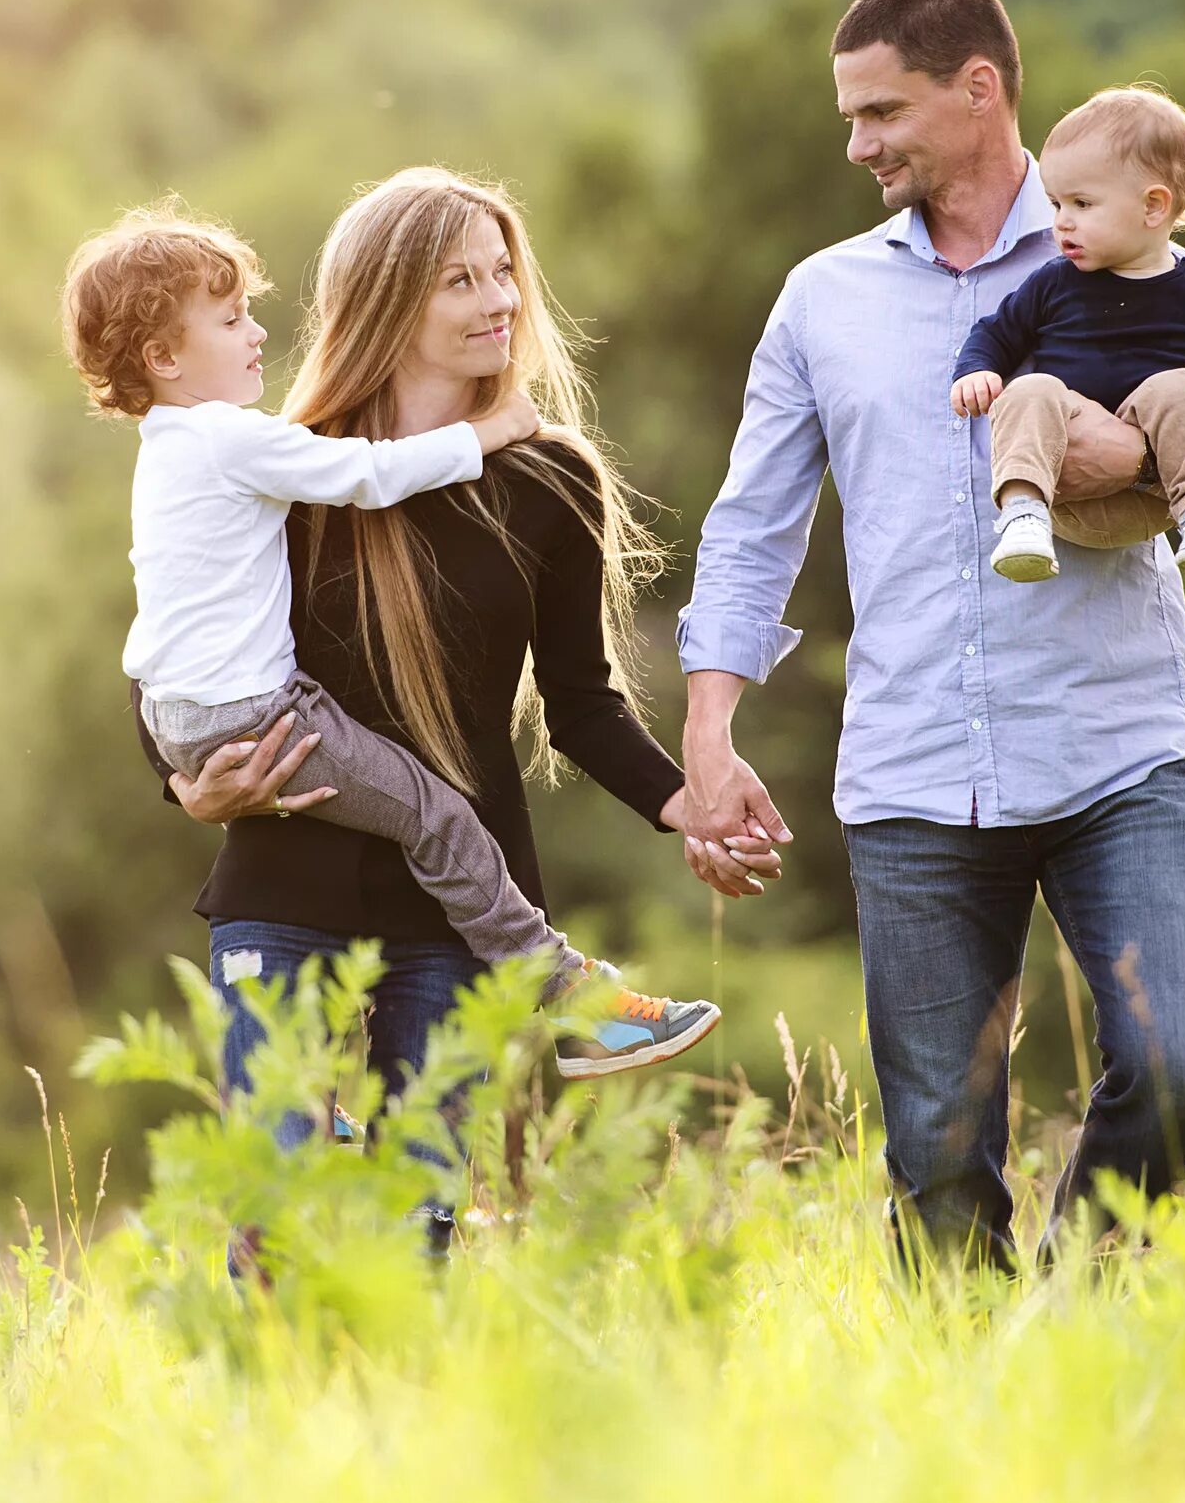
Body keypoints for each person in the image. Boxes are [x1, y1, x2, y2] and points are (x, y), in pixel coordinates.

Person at [672, 0, 1185, 1270]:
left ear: (980, 90)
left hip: (1117, 751)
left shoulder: (1146, 257)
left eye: (880, 111)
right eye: (849, 116)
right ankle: (975, 1422)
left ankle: (1071, 1318)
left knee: (1174, 1065)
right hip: (913, 770)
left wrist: (1152, 469)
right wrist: (709, 731)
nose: (856, 142)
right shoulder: (823, 298)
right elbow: (753, 523)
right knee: (935, 1150)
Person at [64, 199, 718, 1080]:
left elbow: (582, 703)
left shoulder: (549, 480)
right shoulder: (293, 465)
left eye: (502, 271)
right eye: (461, 279)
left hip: (452, 918)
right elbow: (174, 647)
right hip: (284, 893)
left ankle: (565, 995)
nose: (501, 300)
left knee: (422, 1212)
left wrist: (687, 803)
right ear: (391, 301)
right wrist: (189, 789)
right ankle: (564, 991)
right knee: (279, 1200)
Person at [948, 86, 1185, 583]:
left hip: (1162, 502)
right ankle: (1022, 514)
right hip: (1065, 491)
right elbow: (995, 333)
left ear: (1154, 207)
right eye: (1055, 203)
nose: (1061, 222)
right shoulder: (1054, 281)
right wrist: (976, 370)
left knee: (1178, 385)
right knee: (1031, 389)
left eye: (1082, 204)